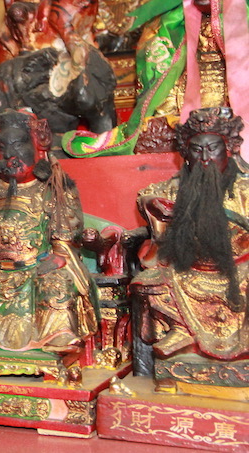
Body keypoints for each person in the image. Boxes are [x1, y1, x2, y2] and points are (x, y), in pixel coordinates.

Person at [0, 109, 99, 353]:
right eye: (1, 148)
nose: (9, 156)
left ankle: (57, 334)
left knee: (57, 282)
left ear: (37, 147)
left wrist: (59, 255)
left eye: (18, 145)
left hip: (35, 265)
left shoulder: (53, 186)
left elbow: (69, 227)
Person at [131, 107, 249, 362]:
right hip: (187, 271)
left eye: (213, 148)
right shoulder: (173, 190)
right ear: (186, 154)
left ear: (228, 149)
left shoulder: (244, 190)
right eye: (197, 150)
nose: (205, 157)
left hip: (239, 270)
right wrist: (153, 205)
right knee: (149, 282)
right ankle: (181, 331)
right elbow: (148, 197)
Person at [63, 0, 249, 159]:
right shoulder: (169, 26)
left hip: (235, 106)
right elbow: (163, 87)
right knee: (152, 131)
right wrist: (167, 117)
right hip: (185, 106)